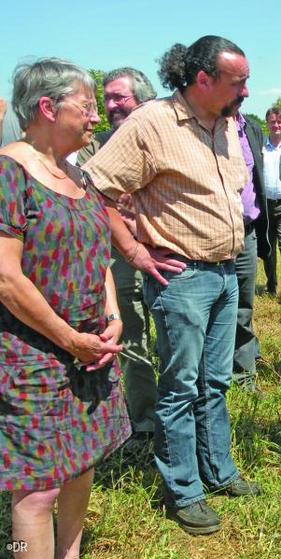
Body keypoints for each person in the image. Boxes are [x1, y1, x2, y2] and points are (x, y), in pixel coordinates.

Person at [84, 35, 260, 535]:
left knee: (216, 382)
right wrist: (136, 251)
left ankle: (218, 471)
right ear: (203, 79)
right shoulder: (151, 123)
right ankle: (183, 490)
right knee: (181, 386)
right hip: (181, 278)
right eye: (238, 80)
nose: (246, 89)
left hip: (226, 272)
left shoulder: (226, 124)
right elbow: (96, 189)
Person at [0, 58, 130, 558]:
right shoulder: (9, 173)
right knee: (35, 488)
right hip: (30, 353)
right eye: (88, 105)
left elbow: (99, 256)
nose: (96, 116)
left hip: (91, 347)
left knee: (81, 462)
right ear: (48, 107)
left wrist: (113, 319)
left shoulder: (79, 176)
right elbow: (6, 277)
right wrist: (68, 338)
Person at [78, 67, 159, 450]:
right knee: (133, 336)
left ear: (143, 98)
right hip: (123, 257)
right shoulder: (100, 146)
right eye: (106, 99)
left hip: (171, 254)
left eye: (118, 97)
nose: (110, 106)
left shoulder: (168, 138)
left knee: (177, 340)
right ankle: (144, 421)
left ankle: (180, 420)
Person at [232, 110, 270, 392]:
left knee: (244, 306)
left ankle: (243, 376)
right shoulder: (203, 125)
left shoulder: (251, 129)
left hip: (247, 231)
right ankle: (212, 375)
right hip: (212, 233)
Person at [262, 106, 281, 300]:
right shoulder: (260, 146)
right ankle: (271, 285)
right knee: (268, 247)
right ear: (267, 124)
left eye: (279, 122)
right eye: (272, 122)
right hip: (264, 204)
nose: (276, 125)